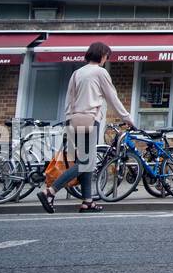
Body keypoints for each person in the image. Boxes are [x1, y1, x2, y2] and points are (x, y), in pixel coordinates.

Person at [38, 42, 133, 213]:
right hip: (89, 120)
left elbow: (69, 100)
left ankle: (87, 202)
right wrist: (128, 118)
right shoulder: (100, 72)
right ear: (102, 55)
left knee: (84, 161)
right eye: (106, 56)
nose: (106, 59)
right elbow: (112, 98)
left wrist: (69, 121)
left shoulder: (77, 73)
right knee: (86, 162)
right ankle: (50, 191)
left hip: (73, 120)